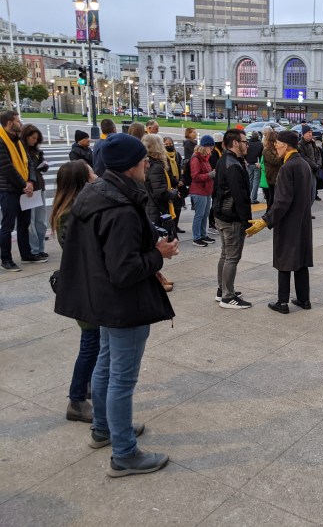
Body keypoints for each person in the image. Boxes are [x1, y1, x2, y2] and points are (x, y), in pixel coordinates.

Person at [54, 132, 178, 477]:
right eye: (143, 160)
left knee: (106, 366)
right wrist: (158, 254)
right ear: (129, 166)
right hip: (124, 305)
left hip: (103, 300)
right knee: (121, 379)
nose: (147, 164)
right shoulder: (120, 208)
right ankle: (124, 453)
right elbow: (124, 270)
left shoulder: (95, 193)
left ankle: (104, 429)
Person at [50, 160, 99, 423]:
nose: (96, 175)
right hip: (85, 288)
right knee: (90, 343)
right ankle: (76, 400)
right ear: (81, 180)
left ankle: (87, 385)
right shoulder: (71, 213)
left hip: (86, 286)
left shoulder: (75, 209)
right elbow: (82, 250)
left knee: (93, 342)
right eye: (91, 172)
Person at [246, 130, 313, 315]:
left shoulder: (287, 167)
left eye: (277, 145)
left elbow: (282, 202)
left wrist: (264, 221)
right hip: (302, 222)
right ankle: (304, 299)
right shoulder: (304, 164)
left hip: (288, 223)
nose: (275, 147)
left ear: (285, 146)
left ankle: (282, 302)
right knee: (301, 260)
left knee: (285, 260)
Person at [213, 129, 253, 309]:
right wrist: (247, 222)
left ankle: (223, 290)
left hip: (223, 215)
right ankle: (227, 297)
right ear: (235, 143)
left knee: (226, 254)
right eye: (244, 142)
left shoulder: (225, 160)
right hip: (231, 217)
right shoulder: (233, 164)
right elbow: (240, 197)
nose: (247, 145)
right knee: (232, 257)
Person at [0, 110, 43, 271]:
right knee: (7, 226)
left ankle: (26, 254)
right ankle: (6, 259)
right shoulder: (1, 141)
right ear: (10, 123)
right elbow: (6, 168)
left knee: (24, 224)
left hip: (24, 189)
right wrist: (24, 185)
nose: (20, 123)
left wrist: (30, 181)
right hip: (9, 190)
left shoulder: (18, 140)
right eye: (18, 121)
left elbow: (29, 163)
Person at [142, 134, 179, 293]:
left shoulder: (148, 164)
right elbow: (160, 192)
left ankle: (158, 277)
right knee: (154, 248)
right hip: (156, 209)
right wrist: (173, 193)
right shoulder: (155, 166)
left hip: (151, 208)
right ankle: (156, 280)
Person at [21, 124, 50, 259]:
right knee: (30, 222)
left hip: (39, 186)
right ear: (26, 137)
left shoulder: (37, 151)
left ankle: (40, 248)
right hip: (28, 189)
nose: (35, 141)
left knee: (41, 221)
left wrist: (44, 165)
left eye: (37, 138)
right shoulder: (21, 150)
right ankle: (34, 249)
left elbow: (42, 167)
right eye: (33, 138)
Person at [190, 136, 216, 246]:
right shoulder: (196, 158)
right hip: (198, 191)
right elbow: (195, 176)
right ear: (205, 146)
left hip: (206, 190)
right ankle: (197, 237)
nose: (212, 150)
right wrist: (210, 175)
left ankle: (203, 234)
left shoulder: (205, 158)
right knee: (199, 215)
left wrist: (211, 174)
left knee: (205, 214)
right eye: (211, 147)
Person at [163, 136, 186, 233]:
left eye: (170, 144)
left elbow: (181, 168)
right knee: (170, 207)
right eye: (166, 144)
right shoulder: (163, 156)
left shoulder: (177, 155)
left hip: (178, 184)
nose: (169, 145)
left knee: (178, 207)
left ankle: (176, 226)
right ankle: (171, 227)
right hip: (170, 184)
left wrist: (181, 180)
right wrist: (176, 181)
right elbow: (166, 172)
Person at [298, 125, 322, 203]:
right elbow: (303, 157)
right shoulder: (300, 144)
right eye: (308, 132)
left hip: (314, 171)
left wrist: (318, 164)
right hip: (306, 171)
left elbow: (318, 154)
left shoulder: (312, 143)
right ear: (303, 134)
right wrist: (315, 165)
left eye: (311, 132)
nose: (310, 134)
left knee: (313, 193)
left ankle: (308, 209)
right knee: (306, 194)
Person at [262, 130, 281, 209]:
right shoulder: (267, 150)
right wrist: (281, 155)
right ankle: (268, 213)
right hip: (272, 177)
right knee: (272, 198)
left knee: (275, 198)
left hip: (276, 176)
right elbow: (274, 161)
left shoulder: (274, 149)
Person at [245, 130, 263, 204]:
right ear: (258, 137)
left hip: (249, 163)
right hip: (256, 163)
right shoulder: (260, 144)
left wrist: (246, 160)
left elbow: (245, 153)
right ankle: (254, 198)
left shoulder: (248, 144)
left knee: (250, 180)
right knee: (256, 181)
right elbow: (261, 155)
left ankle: (247, 197)